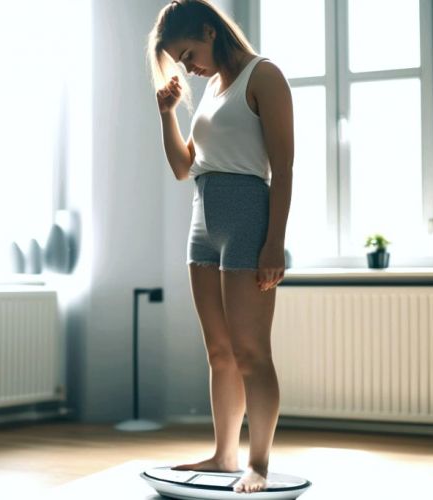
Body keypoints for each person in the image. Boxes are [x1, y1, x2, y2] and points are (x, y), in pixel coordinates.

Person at [147, 0, 293, 494]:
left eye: (188, 54)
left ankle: (260, 464)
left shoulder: (263, 75)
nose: (188, 67)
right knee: (219, 353)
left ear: (210, 31)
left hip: (248, 216)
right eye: (180, 61)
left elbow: (285, 167)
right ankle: (223, 454)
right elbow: (183, 167)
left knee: (252, 352)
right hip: (202, 221)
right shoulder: (210, 90)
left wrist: (275, 242)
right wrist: (167, 114)